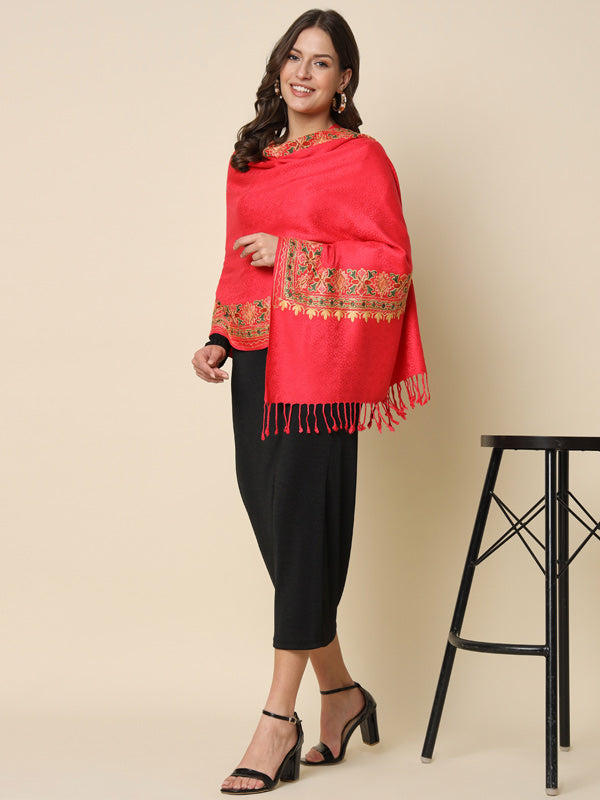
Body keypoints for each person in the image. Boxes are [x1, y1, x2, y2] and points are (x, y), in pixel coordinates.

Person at [192, 8, 428, 795]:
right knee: (276, 521)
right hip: (258, 359)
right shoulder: (250, 161)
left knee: (299, 524)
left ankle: (277, 721)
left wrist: (292, 251)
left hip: (321, 371)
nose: (303, 72)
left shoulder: (363, 160)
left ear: (344, 79)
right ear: (279, 67)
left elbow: (391, 265)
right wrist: (218, 336)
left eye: (321, 62)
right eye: (294, 57)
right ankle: (343, 693)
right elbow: (236, 262)